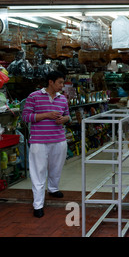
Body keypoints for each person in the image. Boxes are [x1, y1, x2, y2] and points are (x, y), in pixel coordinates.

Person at [22, 71, 70, 218]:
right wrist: (46, 115)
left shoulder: (63, 99)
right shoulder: (34, 96)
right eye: (60, 82)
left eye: (63, 83)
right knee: (38, 172)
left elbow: (68, 115)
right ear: (51, 82)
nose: (62, 86)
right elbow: (25, 117)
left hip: (59, 140)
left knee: (56, 168)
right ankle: (38, 205)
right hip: (39, 141)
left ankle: (53, 189)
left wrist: (64, 119)